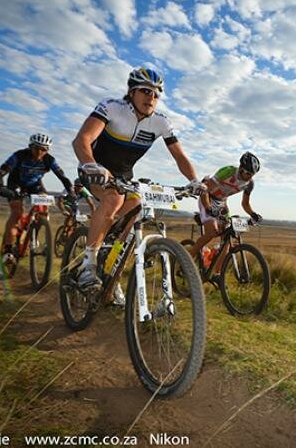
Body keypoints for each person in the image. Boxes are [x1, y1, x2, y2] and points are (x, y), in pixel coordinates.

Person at [72, 67, 205, 302]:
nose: (151, 98)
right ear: (131, 92)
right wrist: (91, 165)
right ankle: (88, 265)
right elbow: (82, 139)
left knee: (137, 207)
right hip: (96, 170)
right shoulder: (112, 107)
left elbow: (179, 156)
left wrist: (193, 181)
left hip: (124, 176)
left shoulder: (160, 122)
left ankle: (112, 274)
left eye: (156, 94)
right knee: (113, 199)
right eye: (145, 91)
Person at [0, 133, 73, 266]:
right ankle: (7, 249)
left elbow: (62, 177)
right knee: (17, 212)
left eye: (44, 149)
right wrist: (2, 188)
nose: (40, 152)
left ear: (48, 150)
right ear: (30, 147)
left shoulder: (49, 160)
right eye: (36, 148)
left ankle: (38, 231)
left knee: (45, 205)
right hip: (16, 184)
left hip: (35, 185)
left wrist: (71, 192)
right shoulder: (19, 155)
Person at [188, 152, 263, 277]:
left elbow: (245, 204)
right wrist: (208, 207)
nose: (250, 177)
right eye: (248, 174)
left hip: (222, 203)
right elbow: (205, 189)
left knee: (228, 239)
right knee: (212, 232)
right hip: (207, 197)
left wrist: (253, 214)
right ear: (241, 169)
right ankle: (187, 260)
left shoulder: (250, 183)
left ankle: (216, 274)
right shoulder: (227, 172)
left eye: (252, 175)